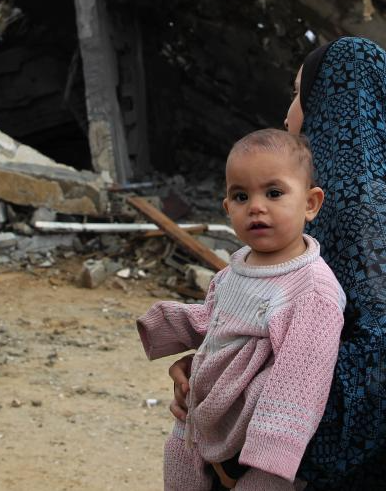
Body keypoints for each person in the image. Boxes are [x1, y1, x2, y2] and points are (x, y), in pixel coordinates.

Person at [172, 37, 386, 489]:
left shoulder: (364, 209)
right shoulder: (367, 199)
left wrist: (256, 416)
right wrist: (215, 372)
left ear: (333, 101)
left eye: (298, 94)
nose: (289, 115)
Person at [138, 129, 345, 490]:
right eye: (241, 196)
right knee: (180, 468)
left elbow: (300, 380)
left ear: (311, 203)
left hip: (258, 444)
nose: (256, 206)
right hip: (205, 414)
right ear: (227, 208)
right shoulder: (234, 271)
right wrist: (170, 327)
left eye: (274, 193)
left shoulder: (311, 291)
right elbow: (217, 322)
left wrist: (265, 455)